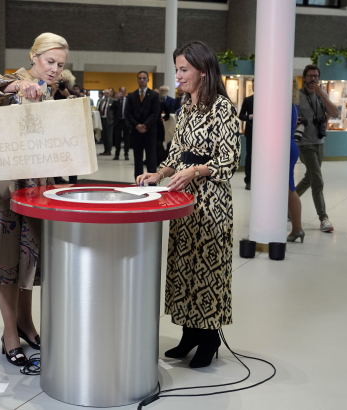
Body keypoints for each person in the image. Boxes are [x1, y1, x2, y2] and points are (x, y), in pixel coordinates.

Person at [0, 32, 68, 367]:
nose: (54, 69)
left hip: (37, 187)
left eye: (60, 65)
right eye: (49, 61)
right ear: (33, 57)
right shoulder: (16, 81)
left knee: (30, 259)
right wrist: (14, 88)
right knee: (7, 262)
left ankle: (26, 323)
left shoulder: (49, 92)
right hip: (7, 190)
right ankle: (10, 333)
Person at [136, 41, 240, 368]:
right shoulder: (185, 106)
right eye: (177, 69)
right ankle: (189, 333)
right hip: (183, 201)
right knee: (183, 268)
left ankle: (209, 339)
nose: (178, 76)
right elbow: (177, 152)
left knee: (207, 271)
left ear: (203, 72)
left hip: (211, 201)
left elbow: (230, 159)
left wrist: (195, 170)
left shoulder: (221, 108)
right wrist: (161, 172)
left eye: (184, 70)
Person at [295, 65, 339, 233]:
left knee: (310, 177)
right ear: (304, 78)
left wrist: (322, 94)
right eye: (310, 76)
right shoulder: (297, 96)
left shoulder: (322, 95)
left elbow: (334, 112)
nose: (313, 79)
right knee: (317, 180)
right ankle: (323, 218)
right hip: (304, 144)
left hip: (319, 142)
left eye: (316, 76)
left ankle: (288, 205)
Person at [126, 71, 160, 178]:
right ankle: (138, 181)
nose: (142, 80)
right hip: (136, 131)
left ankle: (152, 181)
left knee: (151, 157)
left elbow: (155, 113)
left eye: (144, 78)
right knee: (137, 157)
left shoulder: (154, 95)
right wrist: (137, 125)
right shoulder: (131, 95)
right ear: (137, 80)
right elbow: (128, 113)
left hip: (150, 131)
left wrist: (145, 126)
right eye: (140, 78)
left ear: (147, 80)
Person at [288, 78, 304, 243]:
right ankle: (297, 229)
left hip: (284, 149)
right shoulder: (292, 105)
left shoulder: (286, 105)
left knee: (289, 189)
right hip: (288, 147)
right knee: (288, 189)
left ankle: (297, 228)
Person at [238, 82, 254, 190]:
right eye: (254, 85)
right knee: (249, 156)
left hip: (265, 135)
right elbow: (241, 115)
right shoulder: (248, 100)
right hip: (251, 132)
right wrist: (249, 116)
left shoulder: (267, 99)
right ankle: (248, 180)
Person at [113, 86, 130, 160]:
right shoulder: (116, 101)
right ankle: (117, 154)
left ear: (125, 93)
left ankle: (126, 154)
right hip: (118, 122)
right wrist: (116, 100)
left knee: (126, 139)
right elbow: (112, 109)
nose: (121, 93)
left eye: (122, 91)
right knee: (117, 139)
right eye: (120, 91)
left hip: (126, 122)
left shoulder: (129, 100)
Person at [97, 88, 114, 155]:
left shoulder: (113, 101)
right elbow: (99, 109)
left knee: (109, 136)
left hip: (109, 120)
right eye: (105, 93)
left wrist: (113, 119)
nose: (106, 95)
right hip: (102, 119)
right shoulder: (101, 101)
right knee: (104, 136)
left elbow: (115, 111)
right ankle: (105, 149)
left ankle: (109, 150)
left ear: (110, 94)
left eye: (107, 93)